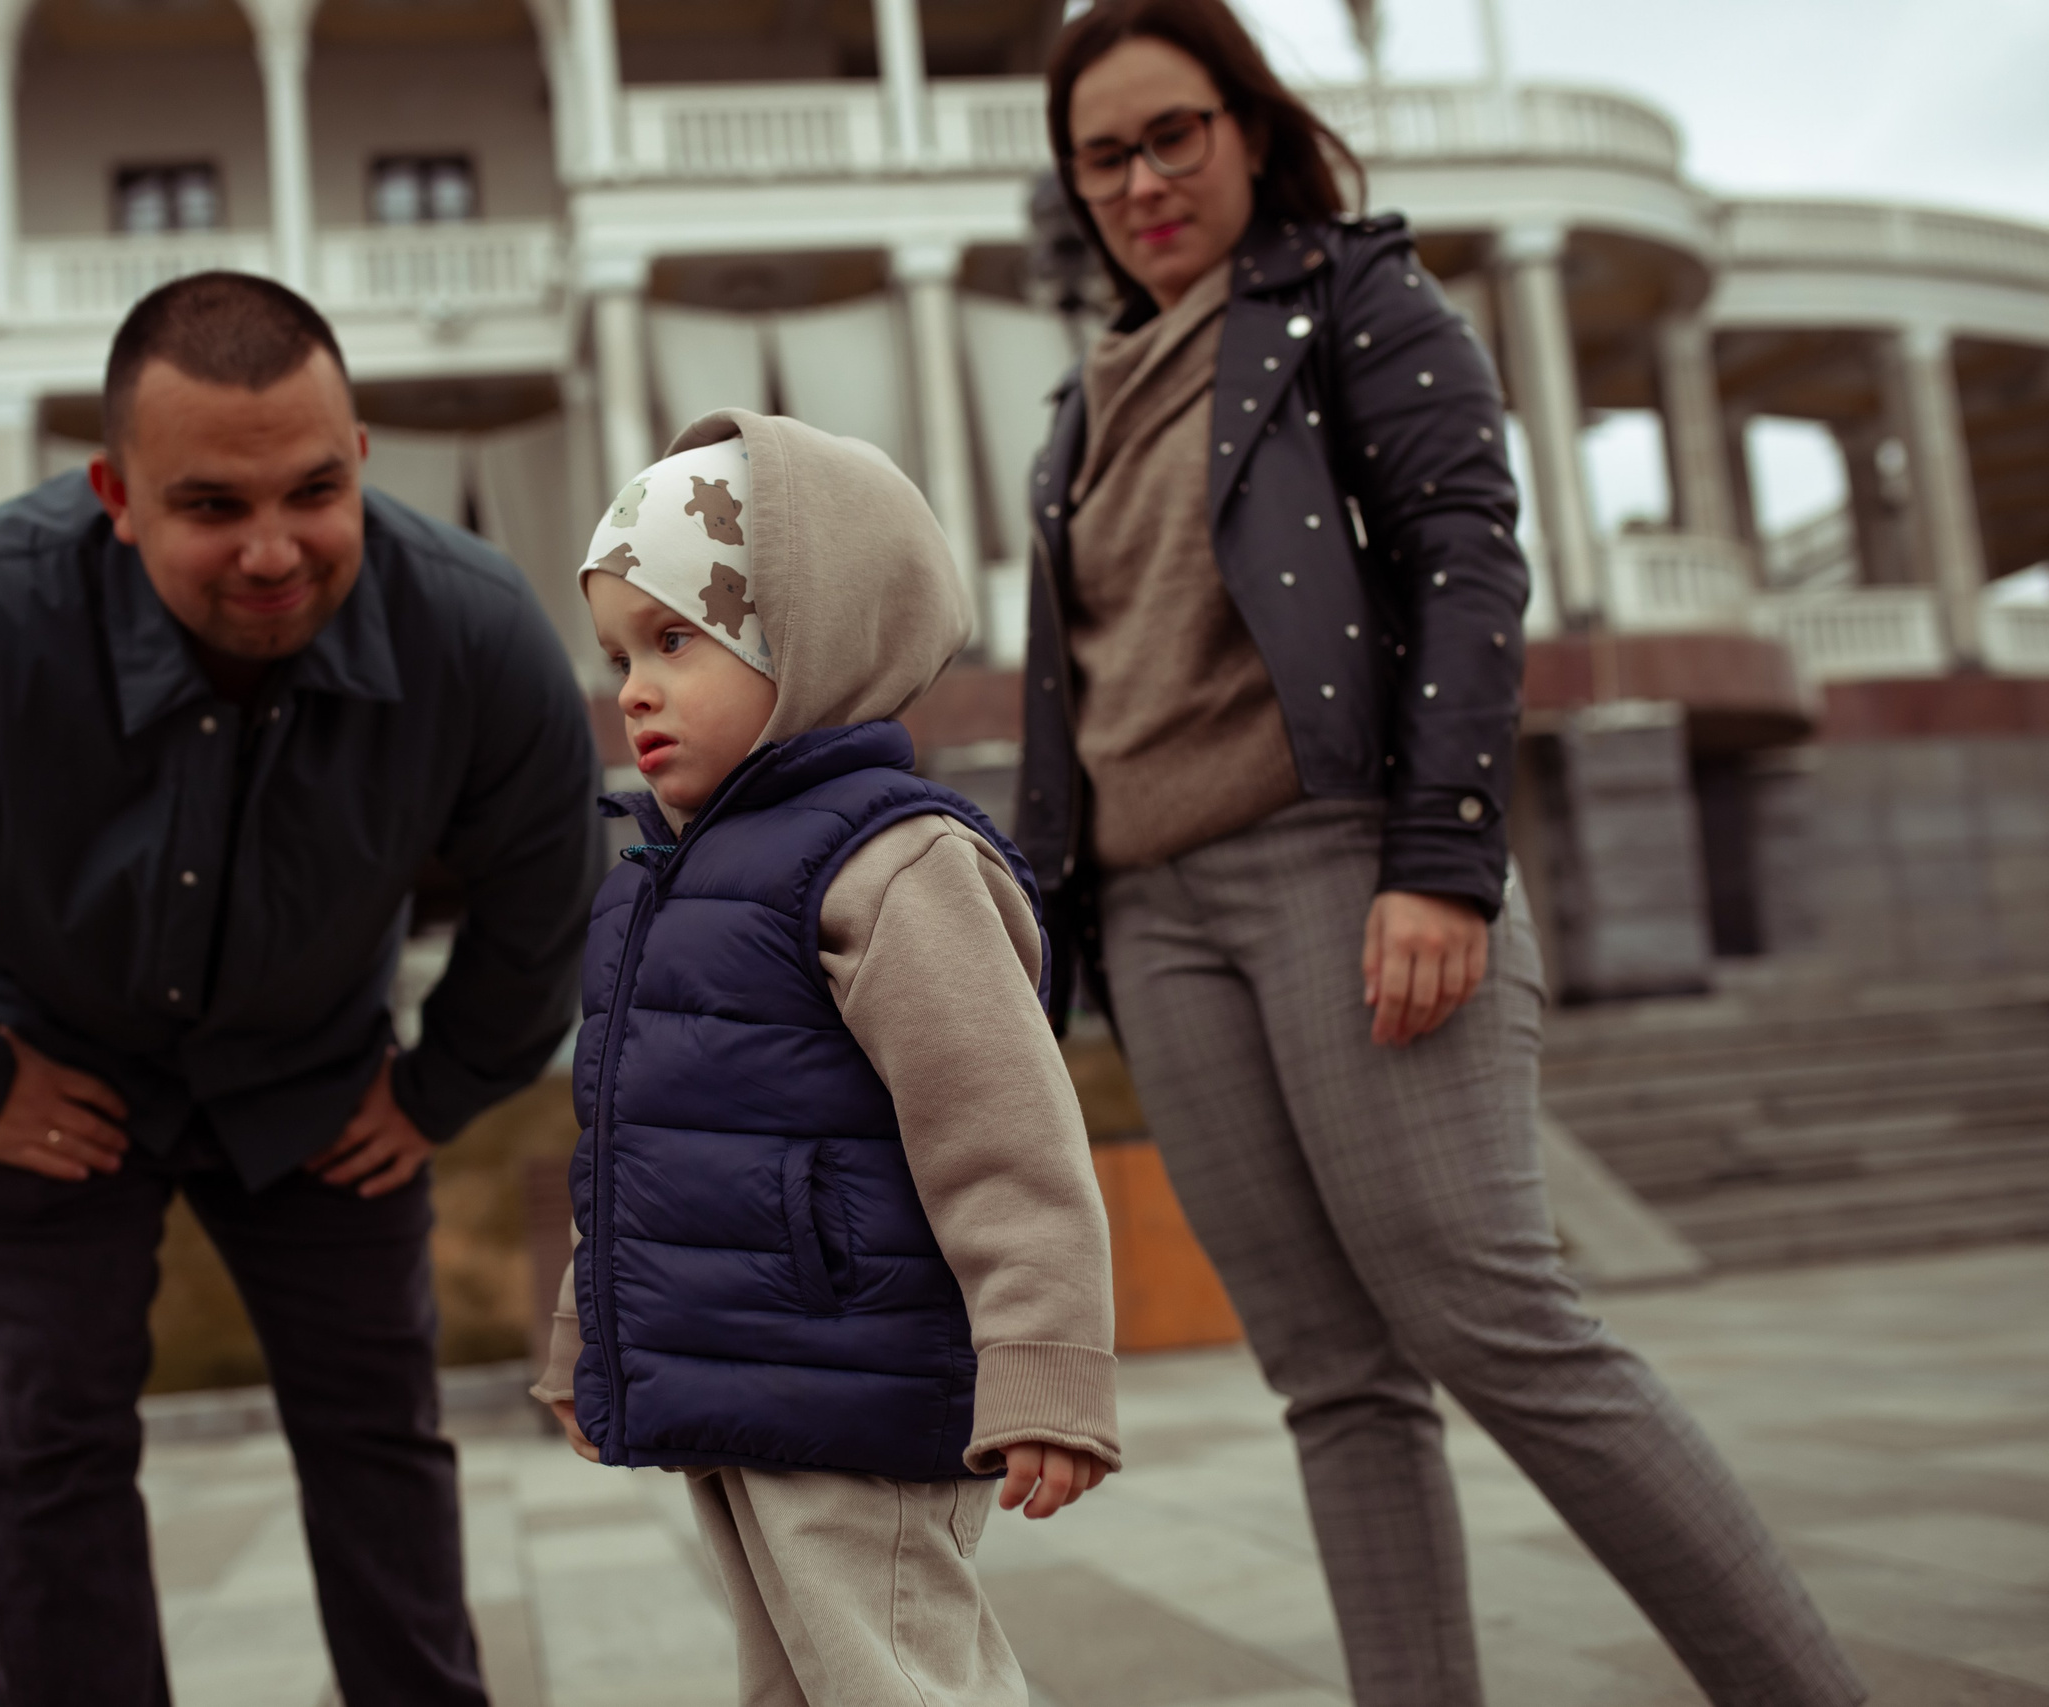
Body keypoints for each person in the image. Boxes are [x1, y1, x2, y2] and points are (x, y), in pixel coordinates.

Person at [1011, 6, 1867, 1706]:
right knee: (1332, 1379)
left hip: (1348, 867)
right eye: (1103, 156)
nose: (1142, 181)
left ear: (1250, 126)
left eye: (1173, 133)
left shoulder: (1355, 303)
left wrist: (1444, 857)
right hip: (1162, 921)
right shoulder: (1086, 399)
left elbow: (1471, 561)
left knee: (1500, 1323)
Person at [0, 271, 600, 1706]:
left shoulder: (478, 638)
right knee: (53, 1437)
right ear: (116, 493)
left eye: (312, 490)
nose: (273, 551)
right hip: (38, 1063)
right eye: (212, 508)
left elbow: (549, 902)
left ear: (362, 456)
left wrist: (438, 1087)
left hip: (314, 1083)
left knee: (379, 1431)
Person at [528, 414, 1121, 1706]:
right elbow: (635, 1145)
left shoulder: (891, 863)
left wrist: (1047, 1364)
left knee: (897, 1679)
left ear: (813, 643)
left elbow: (1006, 1134)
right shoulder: (660, 882)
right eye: (621, 651)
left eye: (677, 640)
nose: (633, 687)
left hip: (857, 1376)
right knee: (793, 1687)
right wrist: (594, 1335)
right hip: (731, 1372)